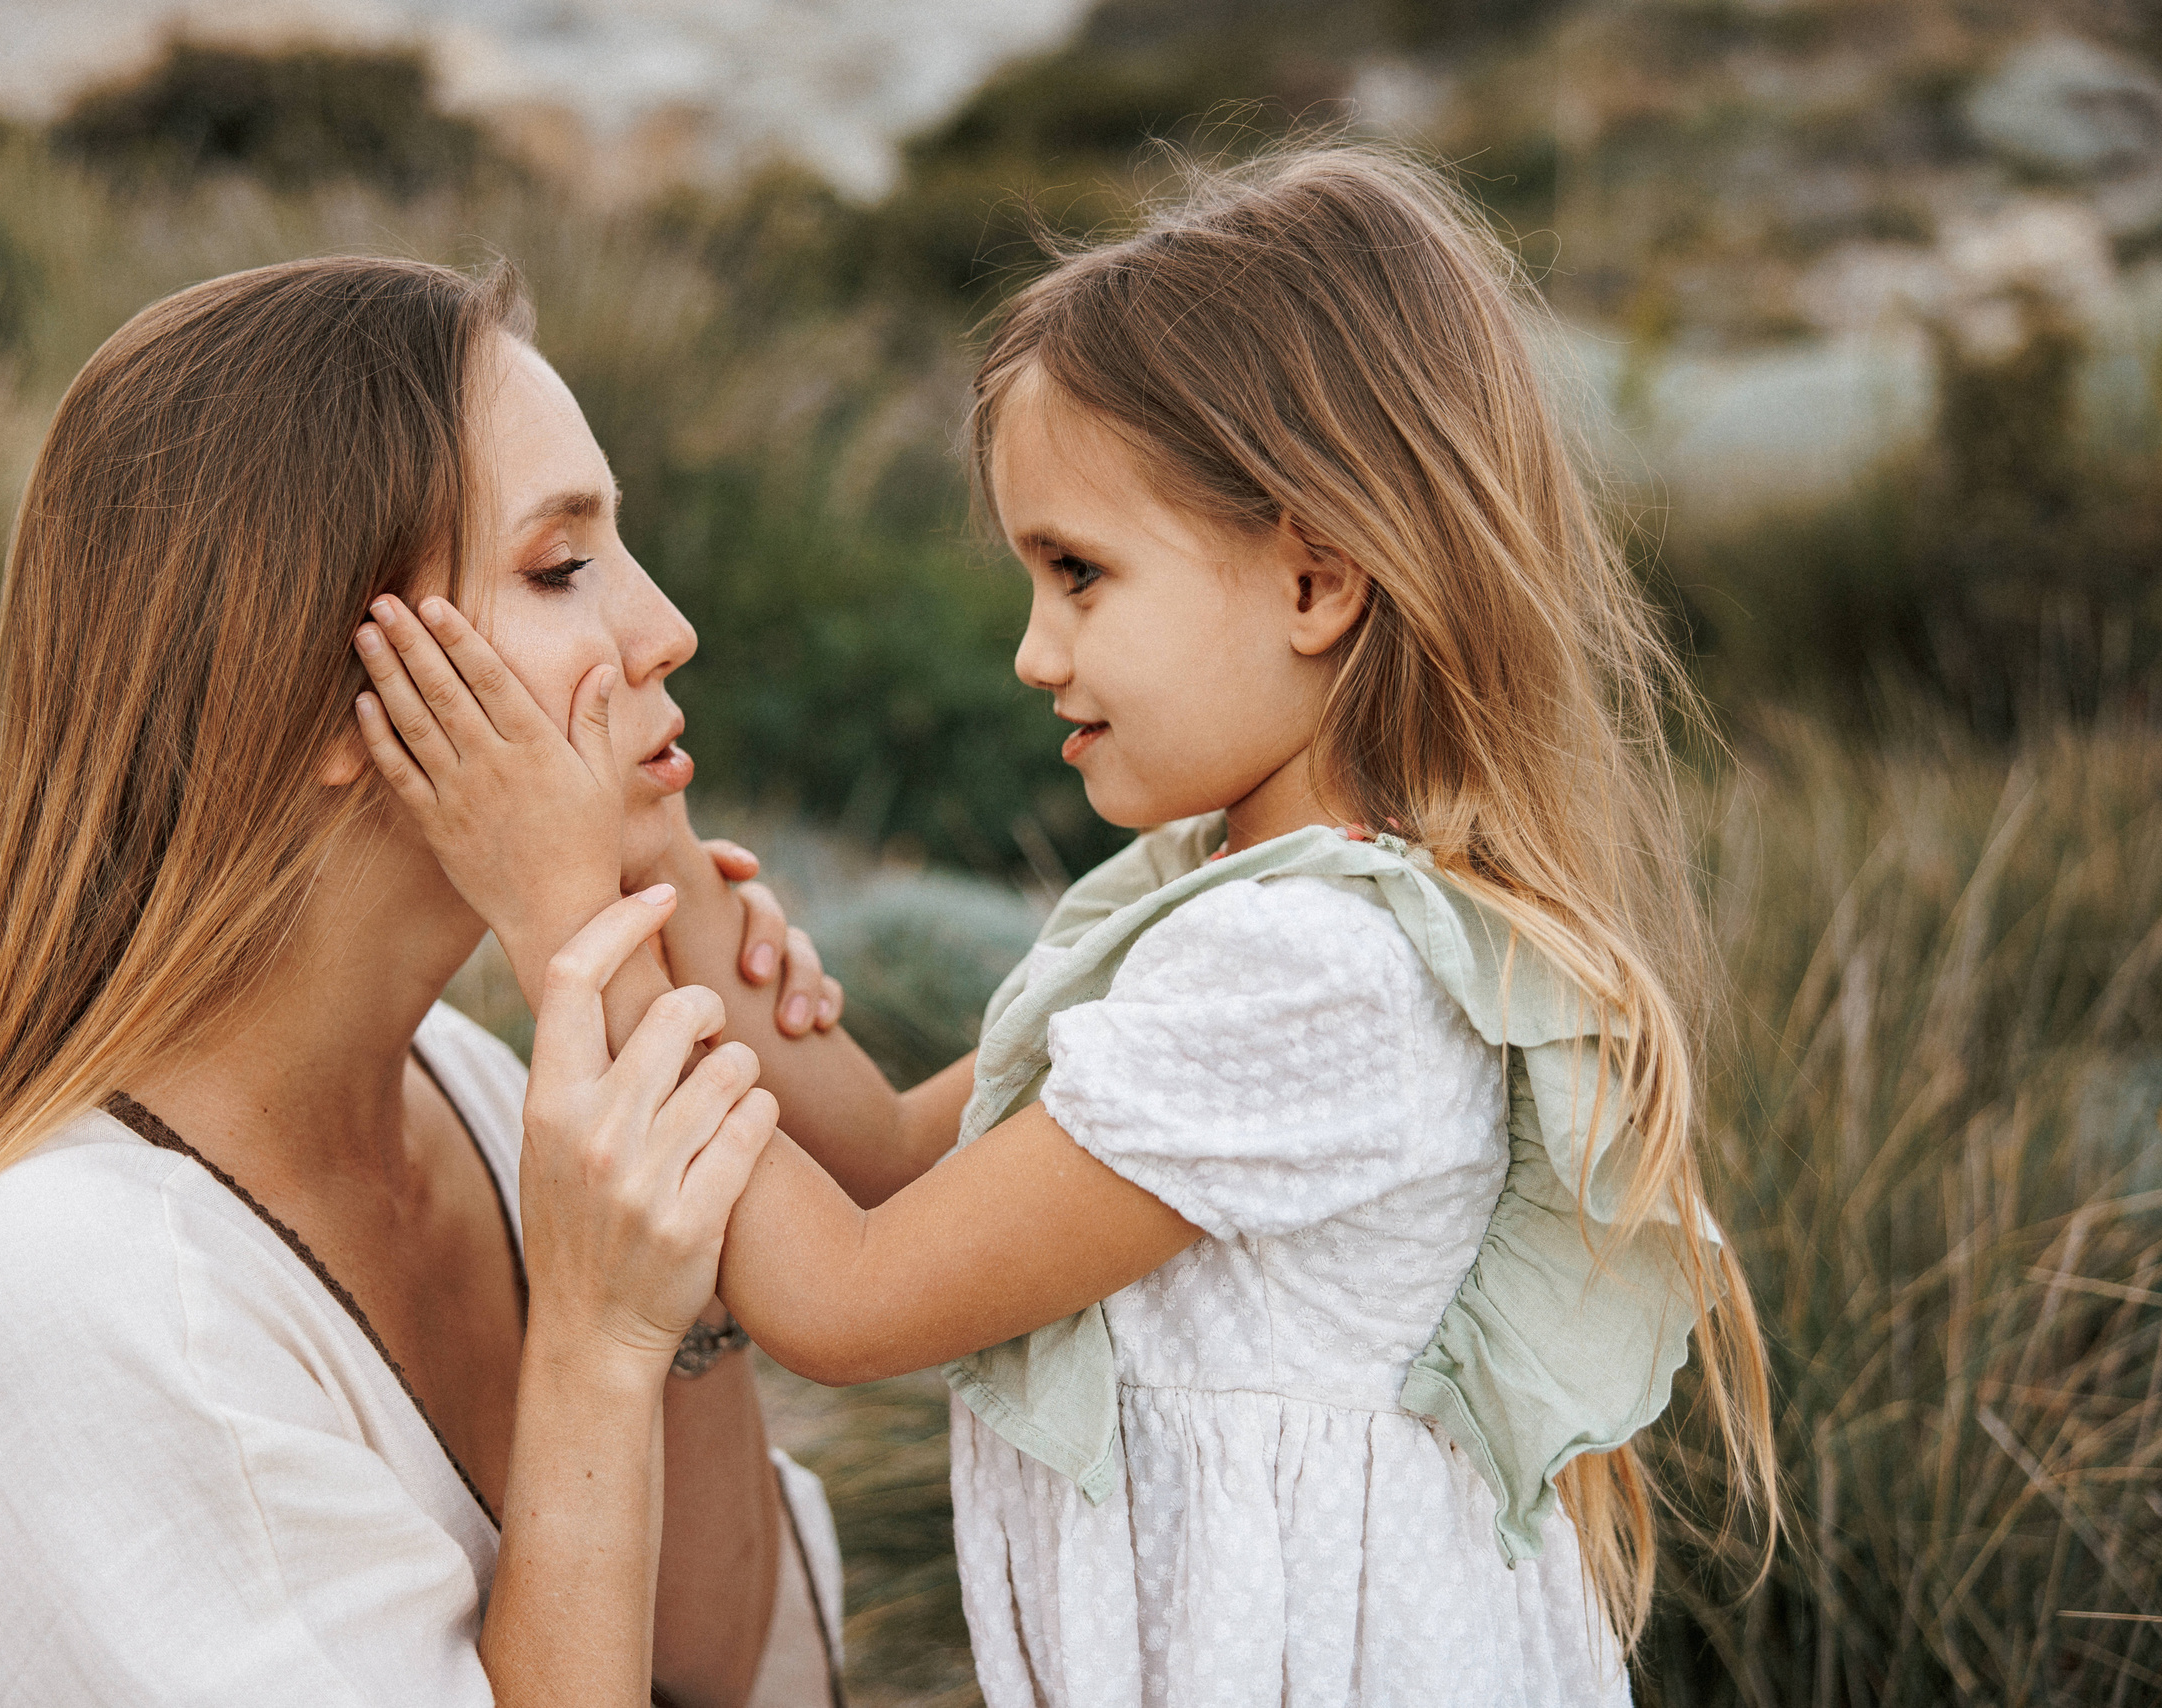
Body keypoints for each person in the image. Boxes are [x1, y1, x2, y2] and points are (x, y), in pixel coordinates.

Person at [349, 142, 1780, 1708]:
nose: (1036, 654)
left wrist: (564, 917)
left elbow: (843, 1298)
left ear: (1317, 580)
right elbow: (888, 1161)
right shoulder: (1203, 893)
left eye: (1080, 576)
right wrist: (656, 857)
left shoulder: (1322, 975)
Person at [0, 256, 856, 1708]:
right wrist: (595, 1338)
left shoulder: (475, 1088)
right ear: (326, 686)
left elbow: (708, 1666)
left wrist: (665, 1070)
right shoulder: (79, 1301)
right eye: (559, 565)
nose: (662, 628)